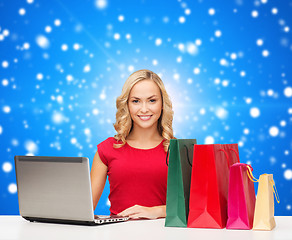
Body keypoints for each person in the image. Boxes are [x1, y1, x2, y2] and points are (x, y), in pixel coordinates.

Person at [90, 69, 174, 220]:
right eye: (136, 101)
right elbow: (85, 209)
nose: (144, 109)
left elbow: (192, 207)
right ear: (127, 105)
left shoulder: (177, 150)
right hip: (117, 234)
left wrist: (158, 211)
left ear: (162, 104)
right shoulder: (107, 149)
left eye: (152, 100)